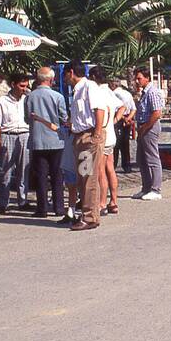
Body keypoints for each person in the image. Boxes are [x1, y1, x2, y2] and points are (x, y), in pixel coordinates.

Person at [65, 60, 107, 232]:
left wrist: (96, 134)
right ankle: (89, 214)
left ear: (71, 72)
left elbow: (99, 110)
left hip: (89, 136)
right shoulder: (77, 91)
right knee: (83, 176)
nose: (65, 78)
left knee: (88, 176)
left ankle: (89, 217)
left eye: (66, 74)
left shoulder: (89, 87)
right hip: (80, 136)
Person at [25, 66, 68, 219]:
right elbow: (64, 118)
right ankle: (59, 207)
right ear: (51, 80)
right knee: (57, 175)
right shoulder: (57, 96)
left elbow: (26, 118)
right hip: (56, 140)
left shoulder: (30, 97)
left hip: (37, 140)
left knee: (41, 175)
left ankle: (42, 208)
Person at [0, 72, 31, 215]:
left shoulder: (27, 100)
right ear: (13, 85)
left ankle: (23, 201)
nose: (24, 89)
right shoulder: (1, 102)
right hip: (8, 135)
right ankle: (2, 203)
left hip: (25, 135)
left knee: (24, 170)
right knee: (5, 171)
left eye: (26, 86)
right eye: (21, 86)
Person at [94, 66, 126, 216]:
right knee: (110, 168)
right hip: (111, 135)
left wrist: (109, 122)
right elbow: (122, 107)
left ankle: (101, 203)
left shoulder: (98, 92)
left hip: (104, 135)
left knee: (101, 170)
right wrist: (114, 120)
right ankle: (113, 201)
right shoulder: (109, 92)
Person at [132, 68, 164, 200]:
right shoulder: (144, 93)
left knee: (152, 158)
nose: (137, 81)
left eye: (139, 78)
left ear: (147, 78)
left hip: (149, 127)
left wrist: (145, 127)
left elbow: (157, 113)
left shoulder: (152, 92)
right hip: (142, 127)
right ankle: (146, 187)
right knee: (141, 158)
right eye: (136, 78)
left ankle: (156, 189)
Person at [111, 78, 136, 174]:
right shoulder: (128, 93)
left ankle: (113, 165)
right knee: (125, 144)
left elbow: (118, 109)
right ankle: (127, 165)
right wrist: (128, 118)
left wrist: (123, 119)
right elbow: (133, 109)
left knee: (116, 144)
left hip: (118, 120)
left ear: (113, 85)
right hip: (127, 119)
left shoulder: (114, 94)